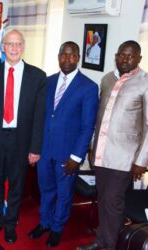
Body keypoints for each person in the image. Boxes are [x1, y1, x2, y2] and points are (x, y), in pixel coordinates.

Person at [77, 40, 148, 250]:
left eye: (131, 56)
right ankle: (102, 240)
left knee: (112, 202)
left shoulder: (145, 82)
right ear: (116, 56)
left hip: (124, 158)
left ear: (139, 59)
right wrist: (92, 147)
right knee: (103, 198)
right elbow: (101, 118)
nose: (125, 59)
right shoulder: (107, 79)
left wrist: (141, 161)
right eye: (122, 55)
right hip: (101, 153)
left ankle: (108, 244)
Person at [28, 41, 99, 247]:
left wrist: (76, 157)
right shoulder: (48, 82)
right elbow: (40, 117)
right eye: (63, 55)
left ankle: (57, 228)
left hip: (68, 155)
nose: (66, 59)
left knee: (64, 193)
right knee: (46, 189)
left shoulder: (88, 87)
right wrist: (35, 148)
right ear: (58, 57)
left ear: (77, 58)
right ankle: (45, 222)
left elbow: (88, 127)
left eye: (71, 55)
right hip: (44, 150)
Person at [0, 29, 47, 244]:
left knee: (17, 187)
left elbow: (39, 116)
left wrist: (35, 148)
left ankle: (10, 225)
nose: (14, 48)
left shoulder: (37, 76)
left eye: (18, 43)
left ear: (23, 46)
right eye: (10, 44)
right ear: (2, 47)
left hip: (21, 140)